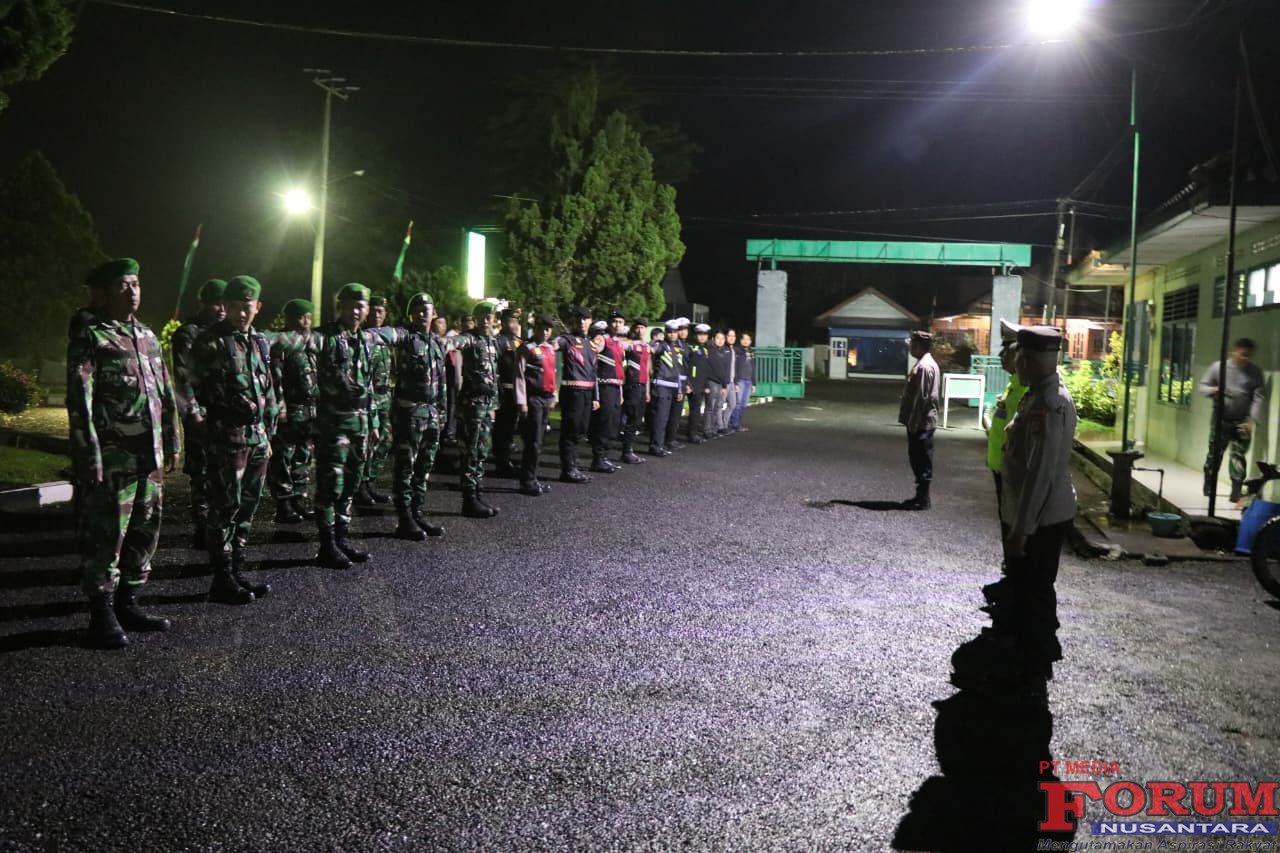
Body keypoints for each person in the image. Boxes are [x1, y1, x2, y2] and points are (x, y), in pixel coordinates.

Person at [952, 325, 1077, 697]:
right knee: (1027, 591)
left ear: (1037, 360)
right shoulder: (1034, 396)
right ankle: (1026, 661)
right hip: (1034, 516)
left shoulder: (1049, 405)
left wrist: (1021, 529)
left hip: (1040, 519)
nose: (1015, 362)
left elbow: (1039, 474)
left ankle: (1033, 670)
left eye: (1022, 357)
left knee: (1034, 594)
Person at [67, 258, 180, 649]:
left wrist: (173, 439)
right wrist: (89, 453)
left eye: (136, 284)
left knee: (145, 532)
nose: (132, 291)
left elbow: (165, 392)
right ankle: (101, 614)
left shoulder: (147, 335)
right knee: (107, 536)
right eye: (123, 285)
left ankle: (128, 602)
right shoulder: (92, 335)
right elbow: (79, 399)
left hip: (149, 458)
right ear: (104, 293)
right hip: (114, 458)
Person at [192, 275, 278, 604]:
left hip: (257, 438)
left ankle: (237, 568)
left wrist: (268, 435)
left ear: (258, 307)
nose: (242, 313)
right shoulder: (209, 342)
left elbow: (269, 389)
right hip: (227, 438)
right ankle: (222, 576)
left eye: (247, 307)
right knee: (224, 508)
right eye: (235, 307)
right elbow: (192, 389)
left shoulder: (260, 342)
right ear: (225, 307)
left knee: (248, 507)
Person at [313, 283, 380, 570]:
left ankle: (341, 538)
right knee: (331, 485)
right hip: (334, 425)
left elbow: (370, 385)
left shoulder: (365, 340)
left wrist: (374, 421)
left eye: (360, 306)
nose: (355, 311)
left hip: (360, 425)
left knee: (352, 482)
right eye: (350, 305)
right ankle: (327, 545)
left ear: (366, 310)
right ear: (339, 307)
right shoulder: (325, 338)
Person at [170, 278, 226, 548]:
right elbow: (183, 378)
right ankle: (202, 527)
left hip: (224, 415)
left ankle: (218, 525)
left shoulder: (225, 333)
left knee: (223, 473)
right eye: (216, 304)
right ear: (203, 304)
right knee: (202, 474)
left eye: (225, 304)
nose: (221, 309)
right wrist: (194, 414)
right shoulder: (188, 333)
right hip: (201, 415)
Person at [388, 292, 448, 540]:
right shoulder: (405, 338)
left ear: (434, 313)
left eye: (428, 309)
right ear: (411, 314)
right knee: (406, 467)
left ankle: (417, 512)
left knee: (424, 467)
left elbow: (442, 380)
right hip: (410, 412)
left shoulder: (437, 343)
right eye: (419, 310)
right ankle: (404, 519)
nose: (424, 313)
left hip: (432, 413)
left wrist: (443, 411)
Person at [268, 299, 319, 524]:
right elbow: (275, 378)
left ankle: (298, 498)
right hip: (290, 409)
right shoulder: (282, 344)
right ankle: (284, 504)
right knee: (283, 457)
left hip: (309, 410)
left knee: (303, 455)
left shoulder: (311, 343)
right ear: (288, 319)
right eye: (300, 317)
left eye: (308, 317)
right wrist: (280, 407)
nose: (305, 321)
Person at [1200, 337, 1266, 503]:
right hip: (1221, 419)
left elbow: (1258, 398)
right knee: (1215, 454)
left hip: (1242, 421)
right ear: (1234, 351)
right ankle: (1209, 483)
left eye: (1248, 355)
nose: (1245, 358)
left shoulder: (1255, 372)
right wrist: (1214, 390)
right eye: (1242, 354)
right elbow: (1202, 388)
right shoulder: (1219, 368)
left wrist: (1252, 420)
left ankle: (1236, 490)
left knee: (1238, 456)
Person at [454, 299, 503, 518]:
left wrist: (494, 405)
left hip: (487, 405)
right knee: (470, 451)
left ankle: (478, 492)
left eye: (489, 317)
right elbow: (455, 341)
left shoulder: (492, 342)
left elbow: (494, 375)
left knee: (482, 450)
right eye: (482, 317)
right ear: (476, 319)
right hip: (472, 406)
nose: (485, 321)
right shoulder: (471, 339)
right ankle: (469, 498)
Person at [515, 313, 559, 496]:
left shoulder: (549, 348)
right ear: (536, 328)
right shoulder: (528, 347)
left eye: (548, 329)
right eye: (542, 328)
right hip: (533, 399)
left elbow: (552, 373)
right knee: (532, 442)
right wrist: (522, 402)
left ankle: (533, 478)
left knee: (539, 441)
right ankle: (527, 481)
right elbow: (519, 375)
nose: (545, 332)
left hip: (546, 398)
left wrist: (554, 395)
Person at [554, 306, 599, 483]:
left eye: (585, 319)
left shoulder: (592, 344)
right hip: (572, 393)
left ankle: (573, 464)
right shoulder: (567, 340)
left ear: (590, 321)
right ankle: (568, 469)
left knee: (581, 430)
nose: (582, 322)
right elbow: (552, 345)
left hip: (587, 393)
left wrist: (596, 396)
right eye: (579, 319)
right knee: (570, 429)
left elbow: (594, 372)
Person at [357, 294, 394, 506]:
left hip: (384, 396)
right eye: (374, 311)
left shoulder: (385, 339)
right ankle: (360, 485)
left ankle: (370, 480)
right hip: (368, 399)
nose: (377, 315)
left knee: (385, 440)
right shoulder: (364, 338)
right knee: (367, 442)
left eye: (381, 311)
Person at [898, 330, 940, 510]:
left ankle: (923, 499)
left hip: (921, 422)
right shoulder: (924, 363)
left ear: (919, 346)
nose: (910, 348)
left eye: (912, 345)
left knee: (921, 459)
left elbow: (922, 398)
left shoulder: (924, 366)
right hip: (921, 421)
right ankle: (920, 496)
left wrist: (913, 424)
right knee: (918, 458)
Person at [589, 315, 625, 472]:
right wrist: (595, 394)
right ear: (609, 323)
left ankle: (605, 457)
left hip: (616, 388)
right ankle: (598, 459)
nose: (617, 325)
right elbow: (592, 361)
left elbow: (619, 369)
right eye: (614, 321)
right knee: (603, 424)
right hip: (604, 387)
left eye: (620, 322)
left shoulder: (618, 343)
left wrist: (621, 392)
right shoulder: (601, 339)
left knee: (613, 425)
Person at [491, 307, 524, 477]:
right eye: (510, 321)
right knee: (502, 427)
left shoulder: (519, 341)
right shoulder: (498, 341)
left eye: (516, 321)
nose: (513, 325)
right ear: (503, 323)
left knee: (511, 427)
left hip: (516, 391)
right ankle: (501, 462)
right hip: (503, 389)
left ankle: (506, 459)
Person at [649, 323, 683, 456]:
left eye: (675, 332)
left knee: (666, 418)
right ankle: (655, 447)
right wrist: (653, 342)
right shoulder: (661, 345)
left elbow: (678, 371)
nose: (672, 334)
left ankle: (660, 445)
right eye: (670, 332)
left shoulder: (677, 348)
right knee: (660, 418)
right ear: (665, 333)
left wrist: (679, 389)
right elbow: (651, 349)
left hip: (673, 387)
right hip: (661, 387)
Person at [619, 318, 650, 465]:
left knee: (637, 419)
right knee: (631, 418)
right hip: (632, 386)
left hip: (643, 386)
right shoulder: (629, 345)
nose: (640, 330)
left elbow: (647, 369)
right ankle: (626, 451)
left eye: (643, 327)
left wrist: (647, 390)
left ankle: (628, 449)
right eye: (637, 327)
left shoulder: (646, 347)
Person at [684, 323, 711, 443]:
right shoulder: (690, 348)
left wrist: (706, 385)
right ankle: (692, 435)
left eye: (705, 334)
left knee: (696, 411)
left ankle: (693, 433)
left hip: (701, 385)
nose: (702, 337)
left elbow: (705, 370)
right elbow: (685, 367)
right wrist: (688, 383)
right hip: (692, 385)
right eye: (700, 334)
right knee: (694, 411)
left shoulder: (705, 349)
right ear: (695, 335)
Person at [666, 318, 690, 450]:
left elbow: (687, 367)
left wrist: (688, 383)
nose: (683, 332)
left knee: (676, 413)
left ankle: (671, 438)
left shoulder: (685, 345)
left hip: (682, 382)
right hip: (674, 381)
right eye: (680, 329)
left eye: (685, 329)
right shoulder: (674, 345)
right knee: (670, 413)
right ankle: (668, 440)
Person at [704, 329, 732, 440]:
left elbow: (725, 370)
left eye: (722, 338)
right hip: (711, 382)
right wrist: (706, 385)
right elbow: (706, 368)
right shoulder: (709, 350)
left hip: (721, 384)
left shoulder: (724, 352)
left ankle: (714, 429)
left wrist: (724, 386)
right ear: (713, 339)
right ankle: (707, 430)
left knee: (717, 407)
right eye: (718, 338)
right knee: (710, 407)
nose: (720, 340)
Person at [729, 331, 755, 431]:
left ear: (750, 341)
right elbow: (734, 367)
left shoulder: (751, 351)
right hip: (740, 381)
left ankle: (737, 423)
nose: (745, 341)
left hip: (749, 381)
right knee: (738, 403)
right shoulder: (736, 350)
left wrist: (754, 383)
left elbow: (753, 368)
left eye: (748, 339)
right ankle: (734, 424)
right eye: (743, 339)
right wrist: (735, 382)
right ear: (740, 340)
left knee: (744, 404)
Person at [721, 328, 739, 436]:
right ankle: (718, 426)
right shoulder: (723, 349)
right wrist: (723, 383)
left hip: (732, 382)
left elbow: (734, 368)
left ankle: (724, 424)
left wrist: (735, 383)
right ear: (725, 337)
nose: (732, 338)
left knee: (732, 404)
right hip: (724, 382)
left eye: (733, 336)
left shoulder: (733, 350)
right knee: (719, 405)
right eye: (729, 336)